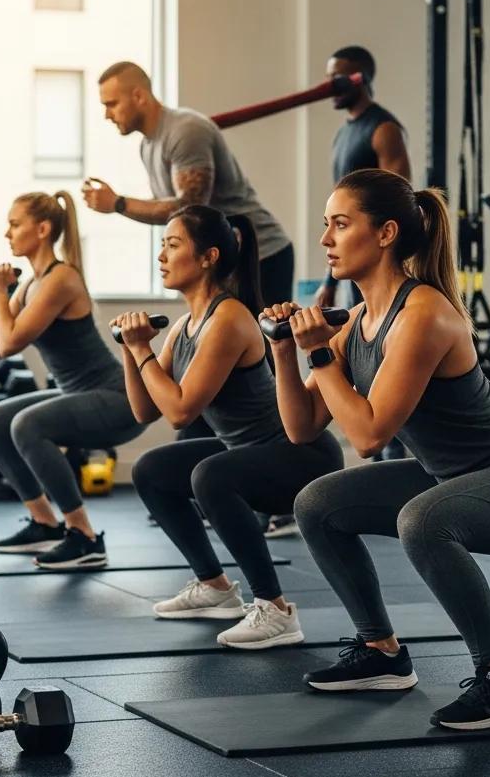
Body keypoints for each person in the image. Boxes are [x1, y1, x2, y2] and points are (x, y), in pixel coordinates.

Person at [267, 169, 490, 730]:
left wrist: (319, 355)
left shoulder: (423, 315)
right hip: (453, 476)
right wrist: (285, 351)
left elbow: (369, 436)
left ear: (385, 233)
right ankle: (380, 652)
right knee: (317, 504)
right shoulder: (357, 321)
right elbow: (301, 426)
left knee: (422, 520)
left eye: (341, 224)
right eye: (326, 225)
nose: (325, 239)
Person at [113, 204, 343, 649]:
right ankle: (214, 587)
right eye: (162, 245)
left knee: (210, 475)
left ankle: (275, 609)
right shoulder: (185, 327)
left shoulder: (229, 319)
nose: (161, 255)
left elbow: (180, 411)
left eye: (172, 244)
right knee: (151, 470)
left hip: (299, 455)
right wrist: (130, 349)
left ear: (208, 257)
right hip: (246, 452)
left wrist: (142, 350)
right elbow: (144, 411)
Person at [0, 192, 144, 570]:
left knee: (27, 425)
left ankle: (84, 536)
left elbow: (10, 340)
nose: (7, 233)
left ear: (42, 229)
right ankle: (44, 523)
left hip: (119, 399)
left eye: (14, 224)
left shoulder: (62, 278)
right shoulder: (30, 285)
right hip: (79, 394)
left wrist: (0, 290)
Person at [83, 61, 295, 314]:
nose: (107, 115)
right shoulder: (147, 146)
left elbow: (190, 209)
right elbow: (171, 213)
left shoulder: (186, 131)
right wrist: (117, 205)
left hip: (260, 256)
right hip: (220, 262)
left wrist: (118, 203)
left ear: (138, 96)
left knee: (255, 338)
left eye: (112, 104)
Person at [315, 46, 412, 311]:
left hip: (378, 264)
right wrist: (330, 280)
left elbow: (399, 204)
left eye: (336, 78)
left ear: (360, 77)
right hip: (353, 262)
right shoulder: (342, 135)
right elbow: (339, 214)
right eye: (327, 78)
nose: (329, 86)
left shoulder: (384, 130)